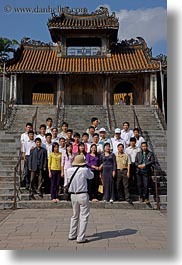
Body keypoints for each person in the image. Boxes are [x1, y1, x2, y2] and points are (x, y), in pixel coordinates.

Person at [67, 155, 94, 243]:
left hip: (73, 195)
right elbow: (91, 176)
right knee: (84, 216)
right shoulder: (84, 170)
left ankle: (72, 234)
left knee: (74, 215)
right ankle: (81, 237)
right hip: (82, 194)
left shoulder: (69, 170)